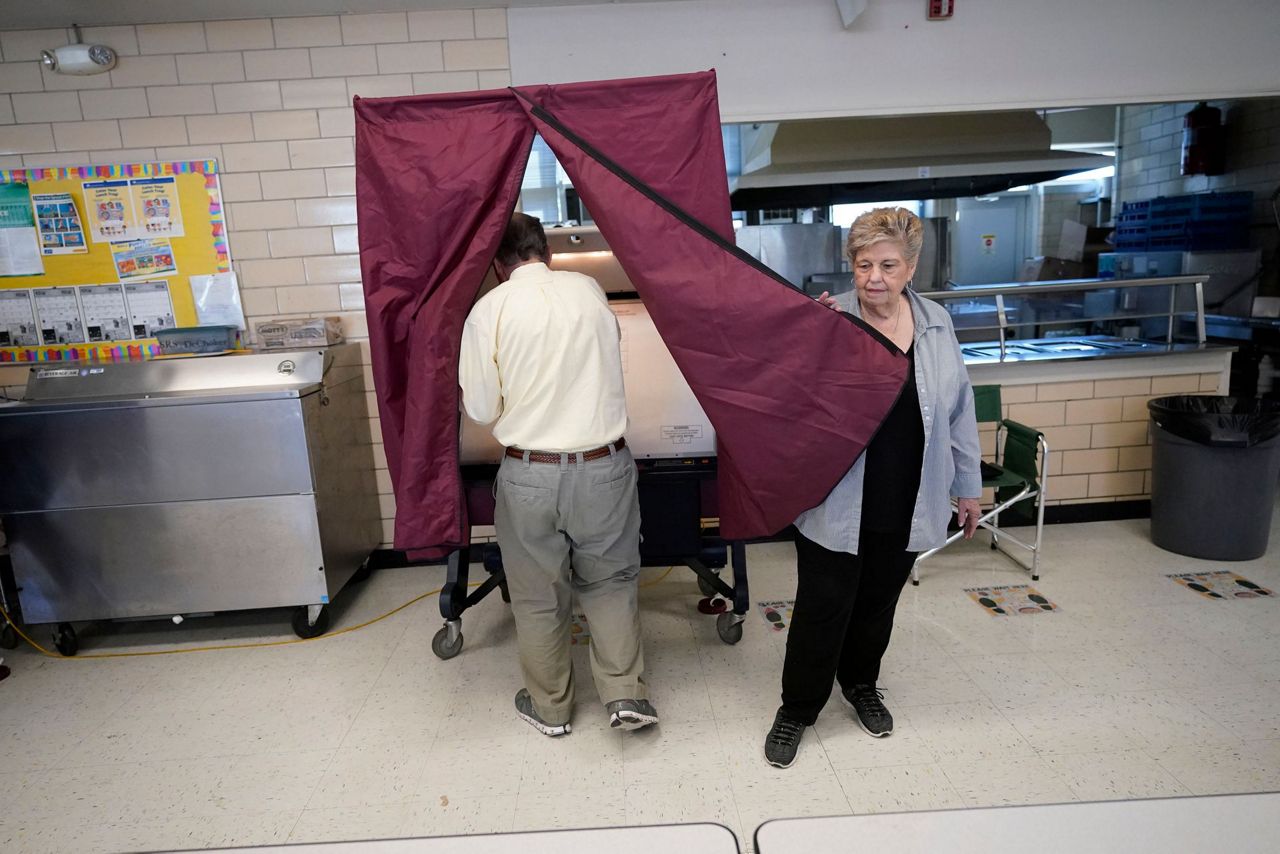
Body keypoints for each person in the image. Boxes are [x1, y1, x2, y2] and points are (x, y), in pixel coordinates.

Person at [764, 207, 982, 768]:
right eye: (864, 265)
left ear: (911, 267)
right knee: (822, 606)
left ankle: (861, 683)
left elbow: (959, 411)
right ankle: (798, 708)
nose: (875, 278)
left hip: (910, 492)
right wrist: (807, 342)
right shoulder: (831, 320)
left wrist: (968, 486)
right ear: (851, 267)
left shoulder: (936, 324)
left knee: (878, 604)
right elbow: (791, 402)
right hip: (837, 496)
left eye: (888, 265)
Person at [459, 212, 657, 737]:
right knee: (612, 583)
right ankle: (624, 696)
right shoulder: (589, 290)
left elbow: (480, 409)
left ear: (499, 265)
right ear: (545, 253)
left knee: (538, 594)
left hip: (531, 474)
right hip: (604, 466)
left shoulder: (489, 310)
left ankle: (550, 709)